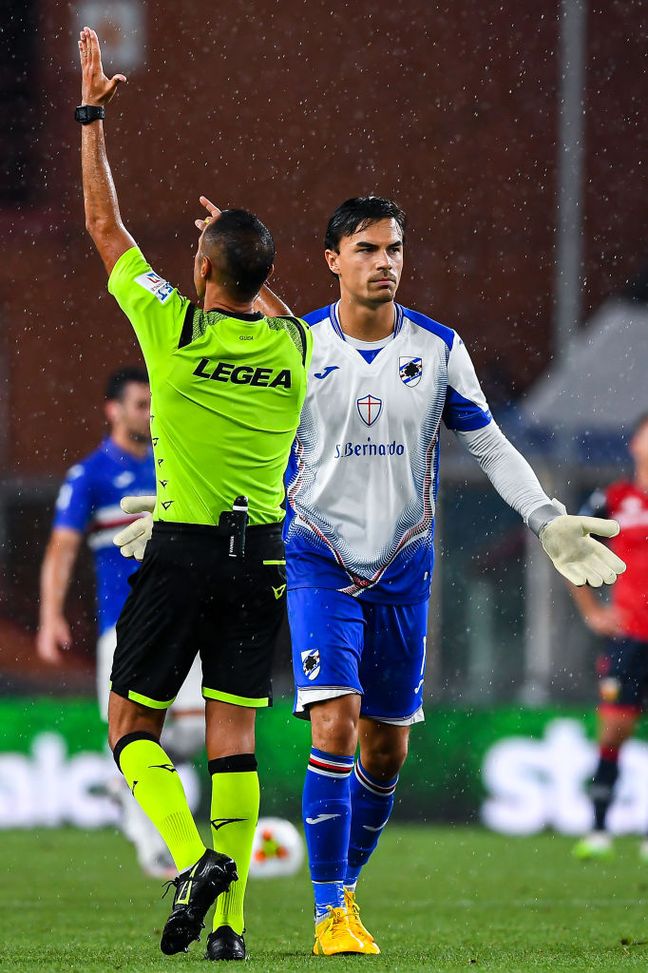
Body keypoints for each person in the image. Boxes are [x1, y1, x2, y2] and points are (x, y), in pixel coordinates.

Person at [116, 194, 626, 957]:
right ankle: (329, 914)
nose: (383, 262)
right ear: (332, 260)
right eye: (366, 249)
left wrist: (545, 515)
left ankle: (345, 887)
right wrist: (178, 512)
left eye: (393, 249)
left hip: (404, 567)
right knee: (335, 721)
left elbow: (488, 444)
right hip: (317, 556)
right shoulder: (298, 343)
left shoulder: (438, 348)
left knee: (385, 750)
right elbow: (236, 435)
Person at [76, 27, 311, 961]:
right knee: (235, 745)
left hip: (178, 548)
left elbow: (106, 228)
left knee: (129, 723)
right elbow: (280, 308)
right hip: (264, 558)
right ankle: (232, 931)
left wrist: (92, 114)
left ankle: (188, 862)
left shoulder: (172, 334)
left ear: (204, 272)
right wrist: (246, 260)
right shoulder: (293, 351)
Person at [37, 367, 205, 880]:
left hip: (182, 620)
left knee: (193, 734)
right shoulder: (91, 474)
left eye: (153, 403)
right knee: (132, 733)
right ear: (113, 410)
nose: (149, 411)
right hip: (124, 625)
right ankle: (152, 848)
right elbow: (62, 547)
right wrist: (50, 616)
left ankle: (122, 780)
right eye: (139, 403)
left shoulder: (172, 462)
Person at [571, 413, 648, 860]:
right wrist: (593, 612)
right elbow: (570, 548)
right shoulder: (614, 499)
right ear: (634, 444)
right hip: (628, 637)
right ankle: (599, 830)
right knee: (615, 728)